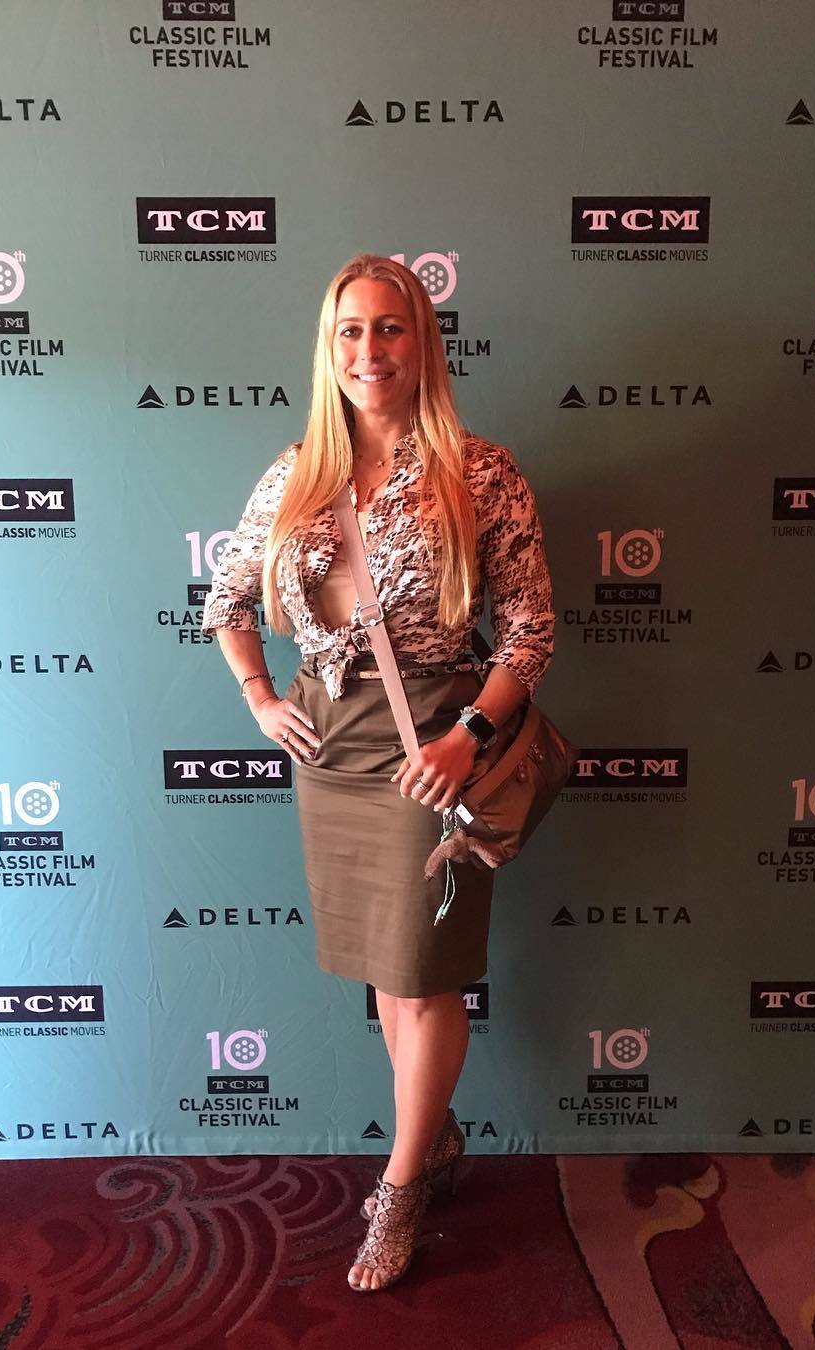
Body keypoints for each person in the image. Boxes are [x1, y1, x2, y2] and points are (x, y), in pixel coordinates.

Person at [202, 253, 555, 1291]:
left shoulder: (481, 471)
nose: (370, 349)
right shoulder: (296, 471)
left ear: (422, 341)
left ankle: (398, 1191)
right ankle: (433, 1141)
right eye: (350, 330)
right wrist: (261, 697)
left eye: (390, 327)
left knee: (424, 973)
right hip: (328, 745)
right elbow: (227, 600)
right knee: (386, 976)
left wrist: (471, 737)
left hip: (433, 745)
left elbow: (530, 629)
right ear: (330, 346)